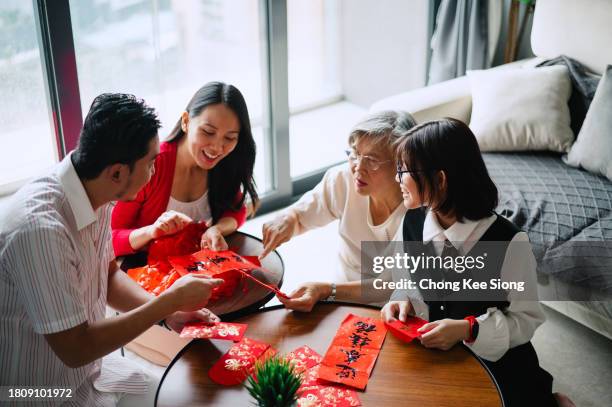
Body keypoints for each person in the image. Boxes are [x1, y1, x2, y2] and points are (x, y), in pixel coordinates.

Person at [0, 93, 224, 406]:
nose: (153, 174)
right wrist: (167, 303)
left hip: (89, 376)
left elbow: (105, 274)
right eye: (150, 164)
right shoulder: (40, 230)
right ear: (117, 172)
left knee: (178, 397)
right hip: (37, 393)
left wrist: (170, 312)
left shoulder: (95, 188)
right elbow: (76, 348)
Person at [381, 118, 575, 407]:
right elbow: (406, 280)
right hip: (434, 352)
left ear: (441, 180)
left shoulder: (508, 243)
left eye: (404, 170)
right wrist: (401, 299)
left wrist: (468, 329)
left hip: (496, 364)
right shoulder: (411, 221)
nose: (397, 179)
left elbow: (526, 320)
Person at [261, 111, 417, 312]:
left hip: (392, 310)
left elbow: (388, 286)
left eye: (372, 160)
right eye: (355, 154)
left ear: (401, 166)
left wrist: (326, 290)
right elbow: (301, 216)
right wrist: (287, 219)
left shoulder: (417, 212)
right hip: (339, 297)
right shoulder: (344, 179)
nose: (357, 168)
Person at [112, 82, 258, 256]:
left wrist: (216, 229)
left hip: (196, 271)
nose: (218, 148)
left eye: (229, 137)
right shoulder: (152, 165)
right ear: (186, 121)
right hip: (150, 275)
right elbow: (110, 239)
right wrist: (151, 232)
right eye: (208, 132)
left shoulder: (223, 163)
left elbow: (237, 210)